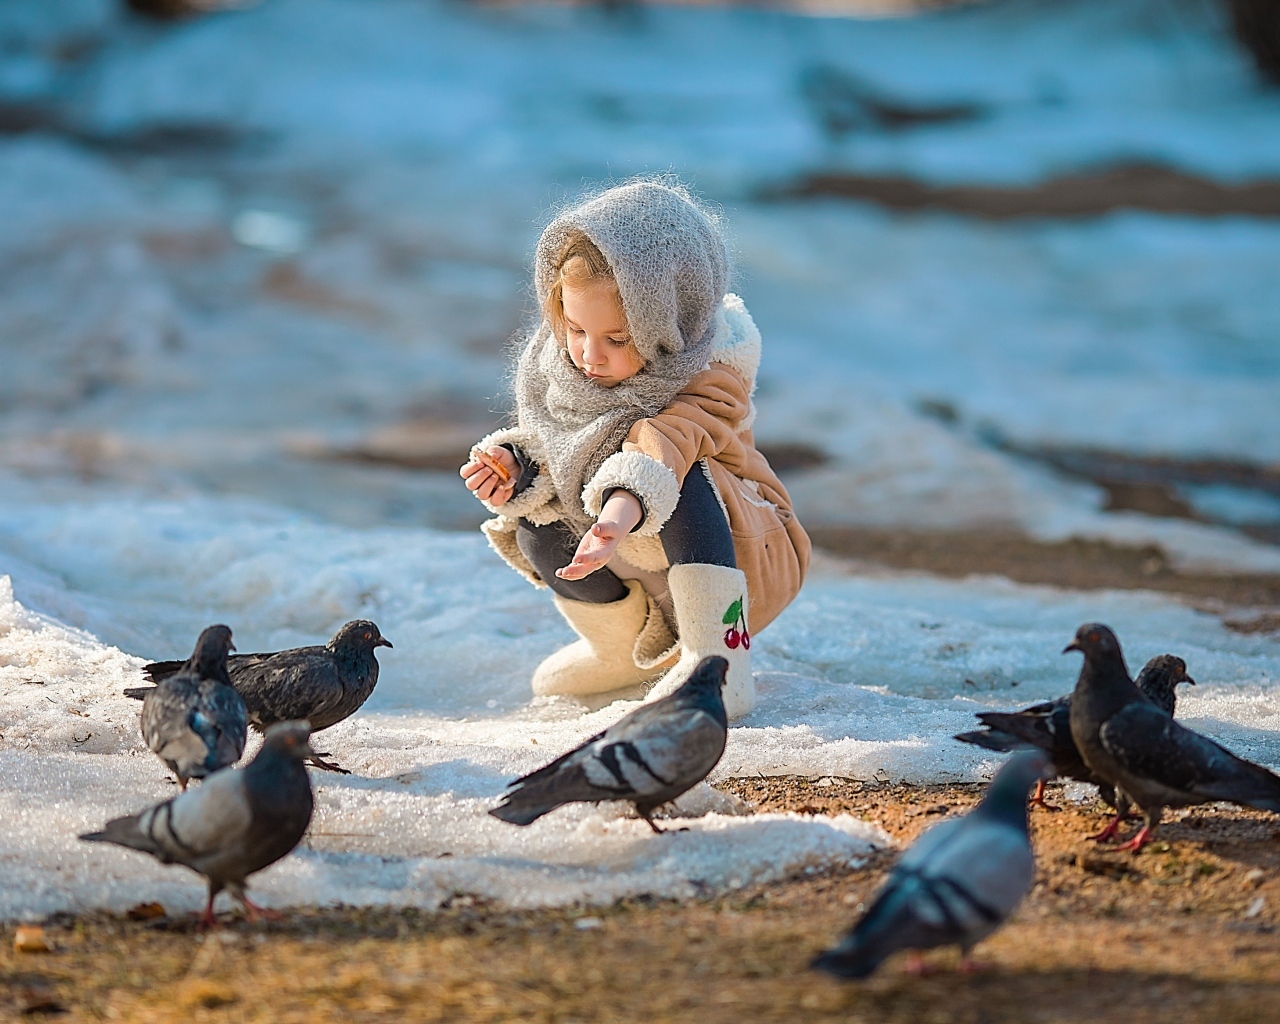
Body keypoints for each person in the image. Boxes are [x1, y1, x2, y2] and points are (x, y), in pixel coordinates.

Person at [460, 180, 809, 719]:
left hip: (743, 549)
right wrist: (517, 466)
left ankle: (718, 665)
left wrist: (617, 515)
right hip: (633, 548)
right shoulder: (559, 364)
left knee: (684, 474)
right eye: (575, 329)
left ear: (672, 318)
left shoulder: (712, 372)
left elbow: (663, 446)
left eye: (617, 339)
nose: (588, 355)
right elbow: (562, 446)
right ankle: (621, 650)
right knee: (535, 516)